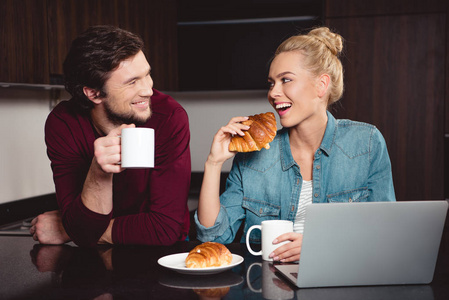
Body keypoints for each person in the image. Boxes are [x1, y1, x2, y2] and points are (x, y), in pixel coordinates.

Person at [195, 27, 395, 262]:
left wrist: (320, 245)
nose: (274, 93)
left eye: (286, 80)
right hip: (269, 286)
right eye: (271, 83)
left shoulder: (366, 143)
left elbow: (385, 234)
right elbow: (214, 238)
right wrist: (213, 162)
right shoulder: (254, 154)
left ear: (321, 85)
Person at [30, 25, 191, 247]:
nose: (148, 90)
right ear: (94, 93)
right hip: (97, 260)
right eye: (132, 82)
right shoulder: (64, 123)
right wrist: (99, 172)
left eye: (148, 75)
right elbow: (84, 232)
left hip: (162, 257)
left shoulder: (169, 117)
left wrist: (70, 230)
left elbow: (164, 229)